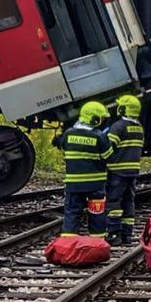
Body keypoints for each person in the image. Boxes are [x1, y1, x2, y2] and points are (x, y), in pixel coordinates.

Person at [56, 101, 113, 238]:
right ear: (94, 118)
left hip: (73, 184)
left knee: (72, 213)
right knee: (97, 214)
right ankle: (98, 242)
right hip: (95, 185)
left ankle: (68, 243)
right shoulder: (99, 136)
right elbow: (108, 157)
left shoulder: (68, 134)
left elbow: (64, 149)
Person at [105, 95, 144, 246]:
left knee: (114, 202)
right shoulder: (139, 127)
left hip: (117, 171)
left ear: (123, 109)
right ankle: (127, 234)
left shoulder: (118, 126)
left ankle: (114, 234)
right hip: (132, 171)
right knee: (129, 202)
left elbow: (109, 148)